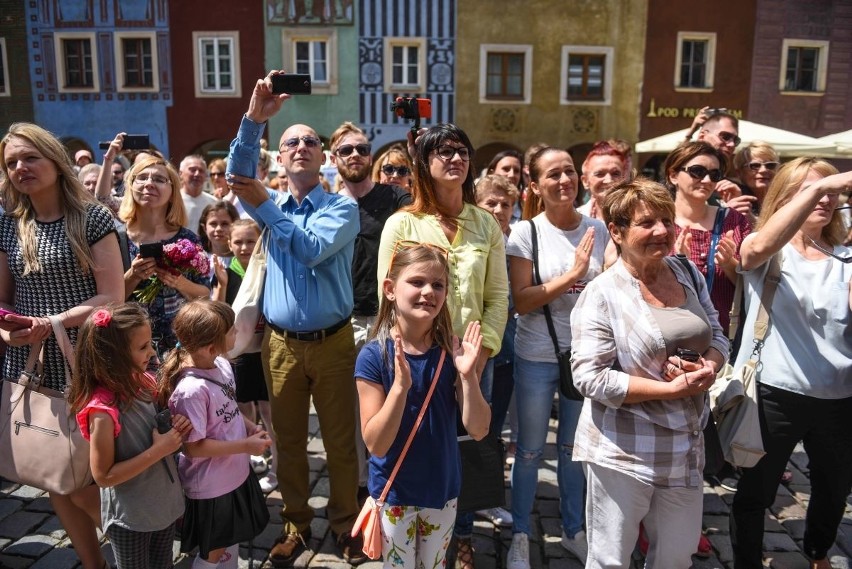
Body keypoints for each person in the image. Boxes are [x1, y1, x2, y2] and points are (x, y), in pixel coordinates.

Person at [225, 70, 365, 566]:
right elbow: (235, 175)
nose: (302, 145)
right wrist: (252, 120)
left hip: (333, 342)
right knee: (286, 442)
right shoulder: (269, 199)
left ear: (323, 157)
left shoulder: (342, 209)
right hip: (280, 343)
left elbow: (309, 250)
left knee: (340, 441)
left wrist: (265, 207)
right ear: (280, 158)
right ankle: (297, 525)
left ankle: (346, 524)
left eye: (311, 141)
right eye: (291, 142)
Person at [571, 178, 728, 568]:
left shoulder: (686, 271)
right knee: (611, 559)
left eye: (666, 220)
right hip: (624, 450)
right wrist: (671, 389)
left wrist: (708, 364)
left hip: (686, 447)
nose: (661, 231)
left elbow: (718, 332)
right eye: (646, 223)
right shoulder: (602, 293)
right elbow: (590, 378)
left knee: (676, 557)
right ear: (617, 232)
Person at [376, 123, 509, 569]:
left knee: (469, 445)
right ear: (424, 163)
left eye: (462, 151)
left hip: (471, 354)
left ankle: (460, 534)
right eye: (444, 151)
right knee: (415, 439)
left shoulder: (484, 222)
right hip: (417, 354)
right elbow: (386, 291)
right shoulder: (403, 222)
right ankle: (398, 514)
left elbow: (497, 298)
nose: (455, 158)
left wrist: (478, 358)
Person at [0, 122, 125, 569]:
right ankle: (94, 565)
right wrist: (7, 330)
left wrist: (50, 321)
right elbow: (3, 299)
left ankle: (137, 549)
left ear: (55, 160)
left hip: (84, 356)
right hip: (28, 360)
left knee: (85, 475)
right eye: (12, 161)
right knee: (52, 468)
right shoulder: (7, 223)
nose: (20, 168)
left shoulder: (90, 217)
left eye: (30, 157)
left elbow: (113, 296)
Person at [729, 158, 852, 569]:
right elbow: (755, 250)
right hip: (773, 392)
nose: (826, 198)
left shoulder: (845, 256)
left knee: (834, 488)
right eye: (813, 190)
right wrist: (821, 186)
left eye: (832, 191)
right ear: (785, 198)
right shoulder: (766, 250)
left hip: (839, 395)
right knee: (755, 492)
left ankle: (818, 552)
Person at [505, 147, 610, 569]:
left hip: (585, 359)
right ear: (535, 185)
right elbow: (522, 302)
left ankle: (572, 529)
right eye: (553, 174)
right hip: (536, 356)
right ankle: (519, 534)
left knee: (572, 449)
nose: (564, 180)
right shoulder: (524, 233)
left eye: (569, 171)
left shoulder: (599, 230)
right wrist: (573, 274)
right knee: (530, 452)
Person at [357, 243, 491, 568]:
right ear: (390, 289)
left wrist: (469, 376)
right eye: (417, 282)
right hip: (395, 494)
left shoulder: (451, 352)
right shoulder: (374, 356)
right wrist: (400, 388)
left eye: (438, 284)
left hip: (441, 490)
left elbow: (478, 428)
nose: (428, 291)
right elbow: (375, 443)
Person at [69, 304, 190, 569]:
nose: (152, 352)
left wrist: (174, 425)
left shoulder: (143, 382)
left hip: (161, 504)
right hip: (131, 517)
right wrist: (158, 451)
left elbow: (156, 428)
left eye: (150, 343)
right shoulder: (102, 412)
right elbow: (103, 476)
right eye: (143, 347)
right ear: (115, 354)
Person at [329, 121, 412, 502]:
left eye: (362, 149)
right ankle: (360, 487)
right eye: (346, 150)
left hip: (384, 318)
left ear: (371, 156)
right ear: (335, 159)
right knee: (348, 413)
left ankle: (387, 480)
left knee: (387, 404)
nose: (355, 156)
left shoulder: (394, 199)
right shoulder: (328, 204)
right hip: (341, 320)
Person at [159, 299, 272, 569]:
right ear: (211, 347)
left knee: (228, 541)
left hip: (232, 473)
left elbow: (229, 407)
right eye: (231, 330)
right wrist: (245, 445)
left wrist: (248, 426)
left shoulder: (221, 365)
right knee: (213, 550)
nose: (236, 333)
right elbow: (193, 448)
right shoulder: (191, 391)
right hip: (211, 485)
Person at [211, 218, 281, 494]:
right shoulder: (227, 273)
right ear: (229, 244)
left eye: (250, 241)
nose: (243, 247)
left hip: (264, 354)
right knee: (243, 412)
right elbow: (216, 312)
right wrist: (222, 284)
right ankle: (253, 458)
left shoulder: (267, 271)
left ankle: (277, 470)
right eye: (237, 241)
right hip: (238, 357)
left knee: (269, 414)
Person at [120, 156, 211, 356]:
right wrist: (133, 276)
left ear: (172, 192)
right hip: (128, 347)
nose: (149, 184)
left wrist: (180, 283)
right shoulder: (116, 238)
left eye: (159, 179)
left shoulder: (187, 239)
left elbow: (205, 294)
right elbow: (107, 299)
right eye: (141, 178)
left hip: (178, 346)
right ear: (131, 185)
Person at [665, 141, 752, 334]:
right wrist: (678, 265)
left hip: (723, 337)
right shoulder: (657, 223)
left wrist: (729, 264)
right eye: (697, 171)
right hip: (670, 335)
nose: (706, 180)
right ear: (673, 175)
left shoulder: (734, 221)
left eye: (714, 174)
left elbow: (753, 286)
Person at [577, 140, 628, 221]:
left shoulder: (637, 215)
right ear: (585, 181)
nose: (608, 180)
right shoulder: (575, 219)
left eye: (615, 174)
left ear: (624, 178)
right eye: (599, 174)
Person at [730, 141, 780, 219]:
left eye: (770, 165)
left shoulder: (784, 199)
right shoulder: (733, 200)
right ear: (739, 173)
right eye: (755, 165)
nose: (763, 170)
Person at [180, 155, 217, 233]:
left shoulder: (213, 203)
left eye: (201, 171)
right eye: (192, 170)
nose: (197, 174)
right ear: (181, 173)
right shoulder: (173, 200)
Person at [485, 150, 524, 225]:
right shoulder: (476, 204)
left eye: (516, 171)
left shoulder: (527, 210)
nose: (512, 175)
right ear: (491, 172)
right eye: (506, 169)